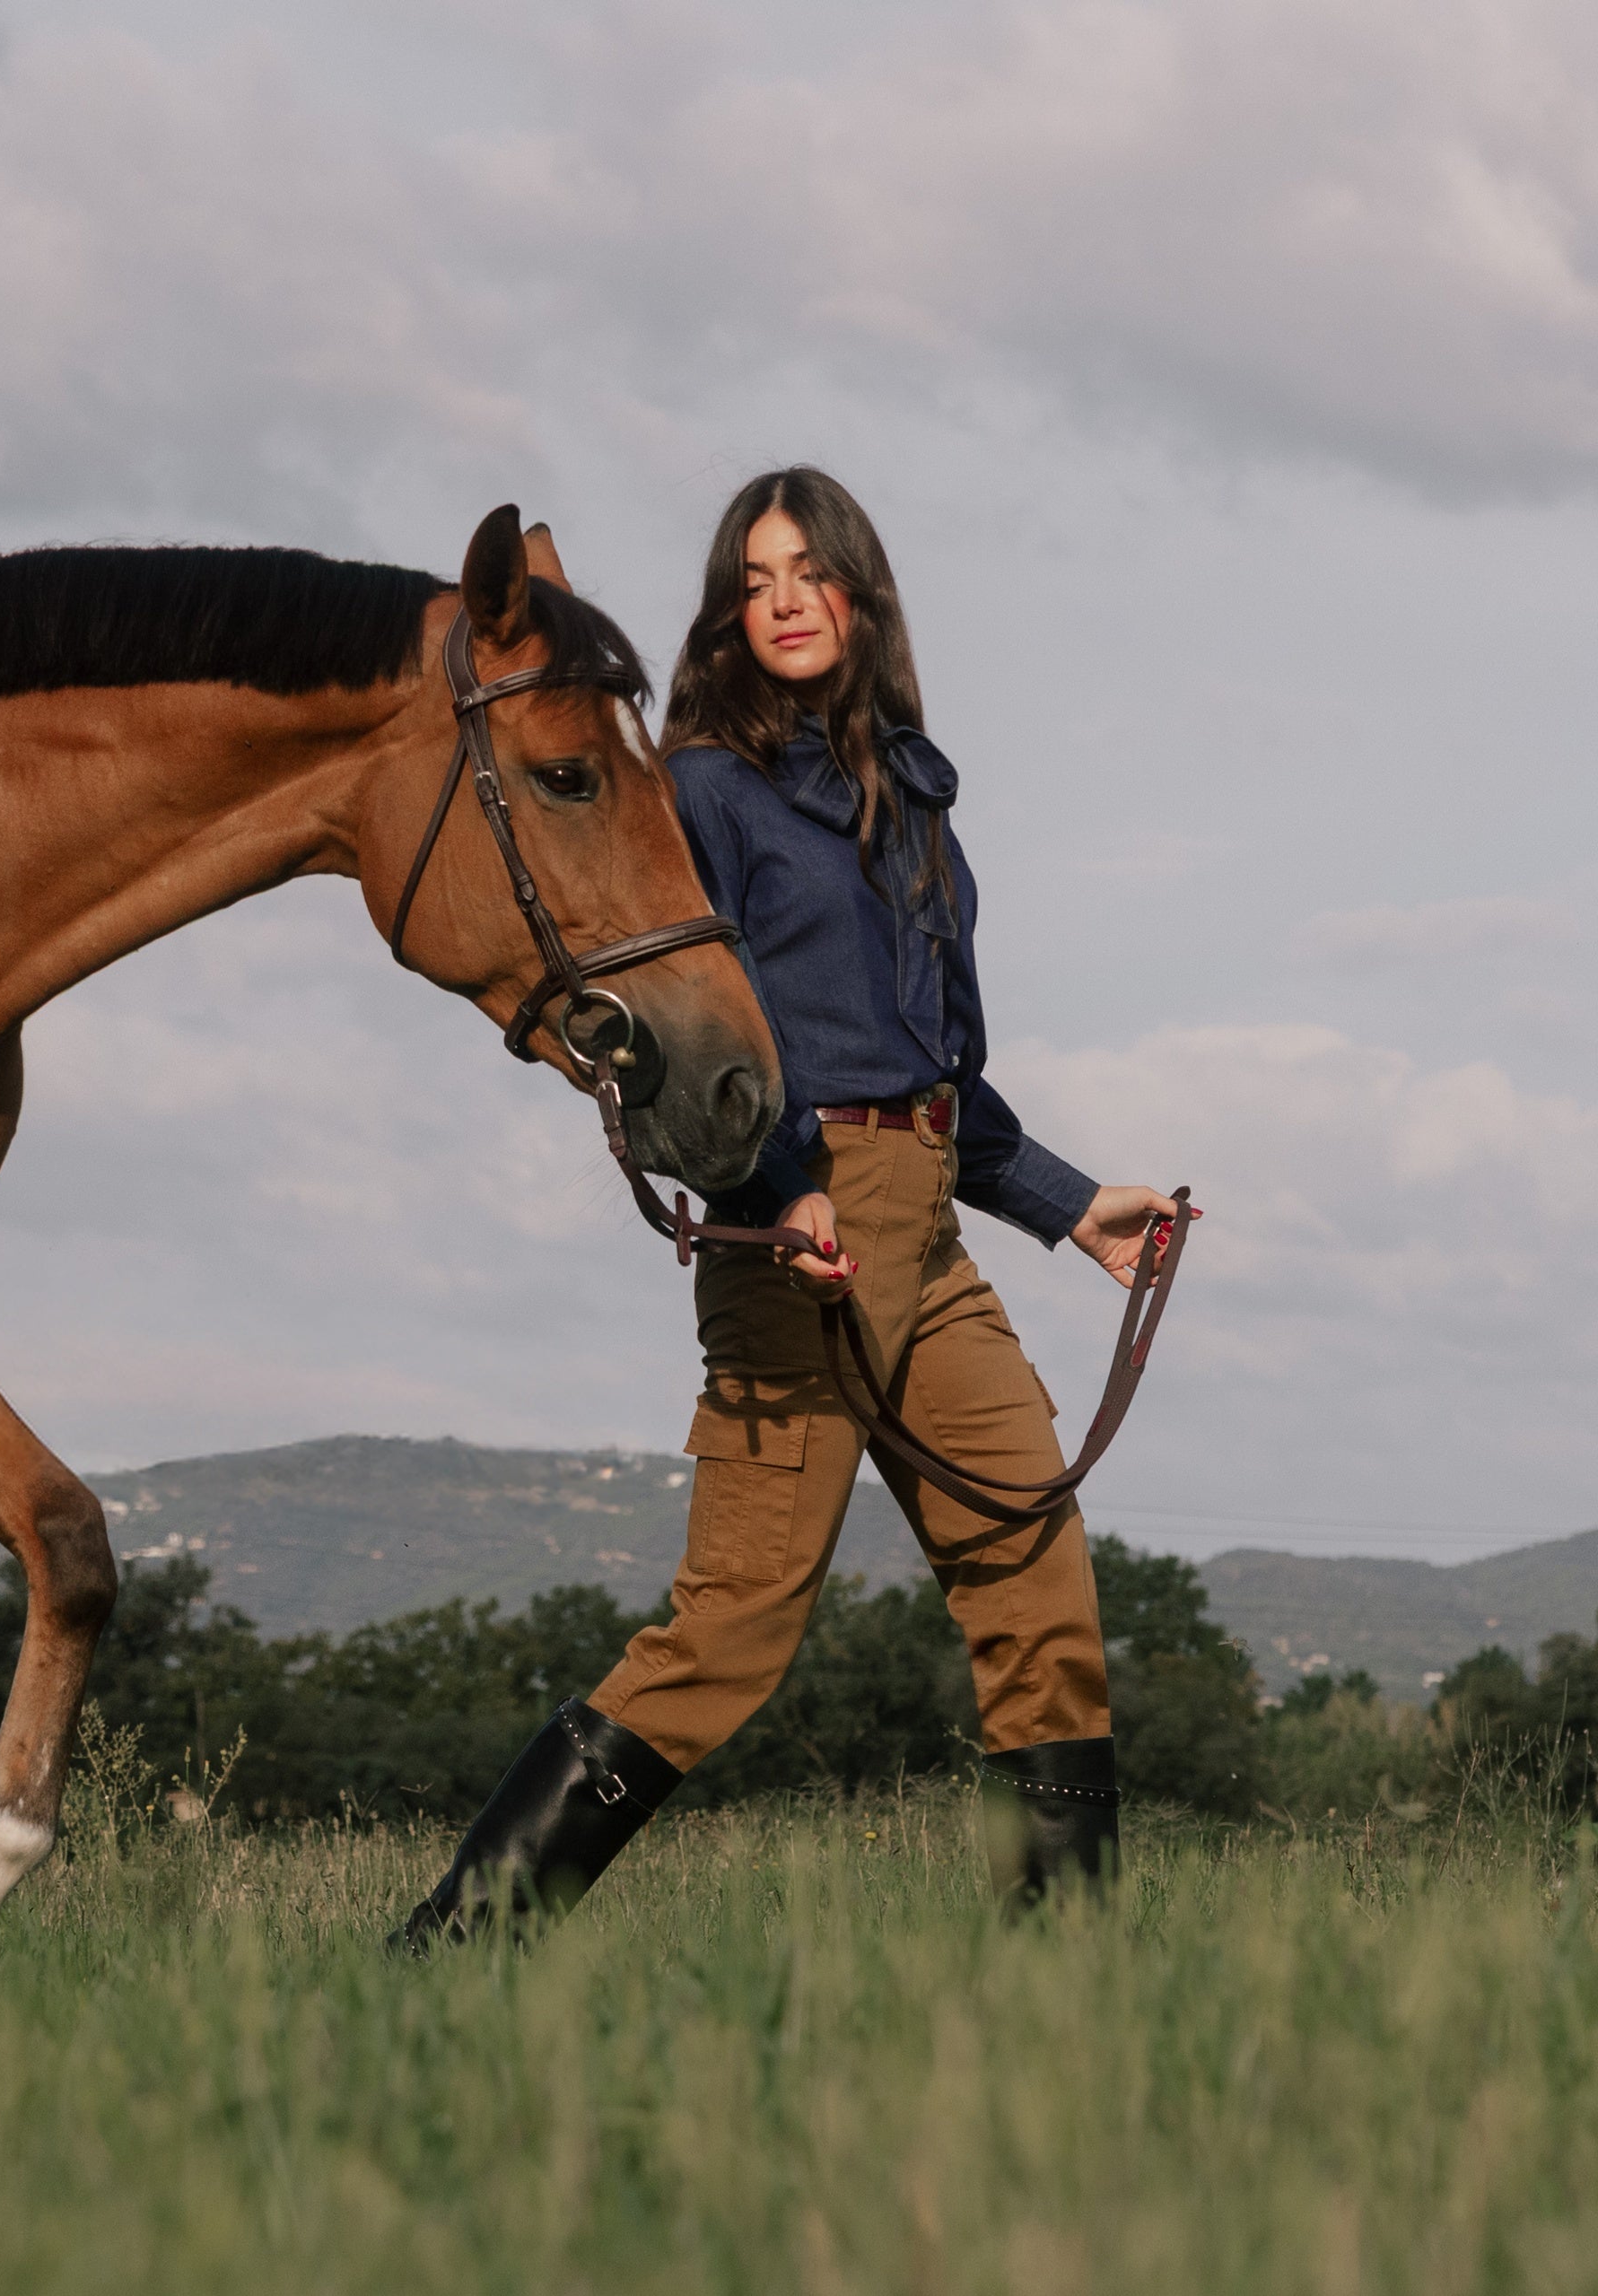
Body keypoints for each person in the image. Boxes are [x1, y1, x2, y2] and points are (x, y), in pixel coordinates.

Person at [395, 467, 1188, 1950]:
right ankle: (451, 1955)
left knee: (1040, 1584)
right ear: (729, 610)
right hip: (795, 1244)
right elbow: (698, 1052)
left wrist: (1073, 1206)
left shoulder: (917, 801)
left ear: (858, 594)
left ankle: (1067, 1988)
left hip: (933, 1235)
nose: (782, 598)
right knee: (731, 1634)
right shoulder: (698, 789)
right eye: (753, 577)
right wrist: (780, 1191)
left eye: (808, 571)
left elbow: (946, 1068)